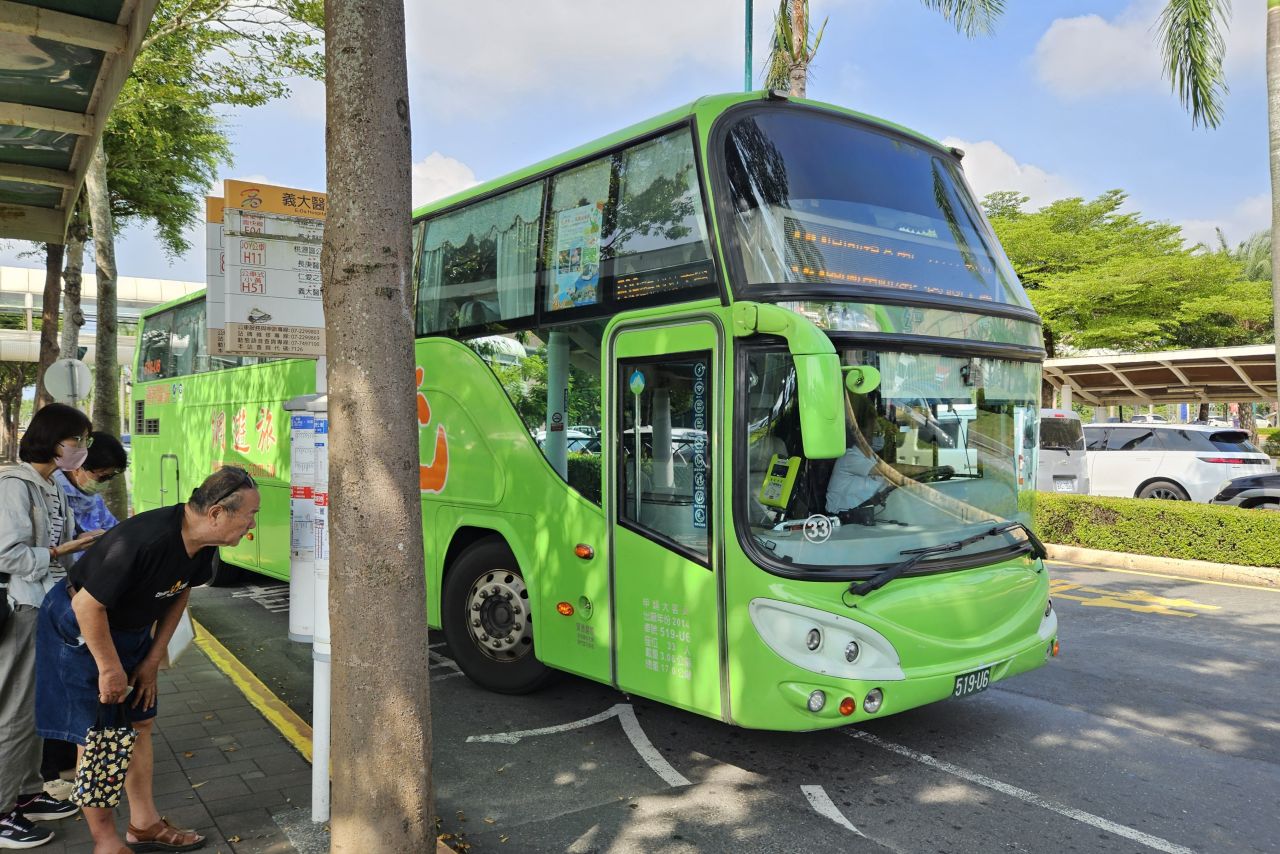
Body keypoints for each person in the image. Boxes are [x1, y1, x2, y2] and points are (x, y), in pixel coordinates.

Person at [34, 466, 259, 854]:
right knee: (100, 735)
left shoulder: (202, 544)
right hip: (82, 627)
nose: (252, 523)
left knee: (140, 721)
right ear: (218, 514)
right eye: (250, 514)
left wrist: (153, 659)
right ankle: (105, 842)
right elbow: (86, 606)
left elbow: (180, 593)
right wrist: (109, 669)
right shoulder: (147, 540)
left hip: (130, 630)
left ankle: (144, 825)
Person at [0, 403, 103, 850]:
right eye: (76, 440)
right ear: (53, 440)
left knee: (35, 710)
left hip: (45, 605)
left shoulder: (49, 485)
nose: (81, 449)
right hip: (20, 607)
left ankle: (24, 794)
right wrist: (64, 552)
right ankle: (3, 812)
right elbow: (8, 554)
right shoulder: (14, 484)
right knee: (16, 709)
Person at [42, 432, 129, 791]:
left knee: (92, 690)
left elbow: (112, 532)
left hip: (89, 596)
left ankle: (79, 770)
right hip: (67, 598)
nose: (102, 482)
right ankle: (61, 772)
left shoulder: (80, 496)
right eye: (102, 474)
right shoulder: (50, 490)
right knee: (75, 684)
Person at [53, 432, 128, 547]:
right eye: (102, 477)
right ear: (78, 466)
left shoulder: (92, 496)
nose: (105, 482)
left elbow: (114, 528)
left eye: (110, 477)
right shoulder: (51, 494)